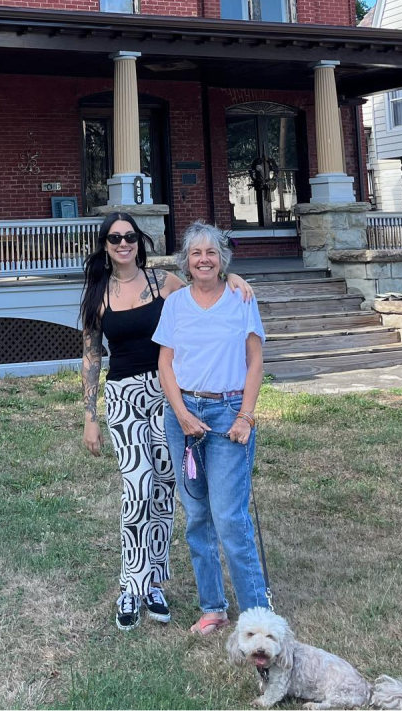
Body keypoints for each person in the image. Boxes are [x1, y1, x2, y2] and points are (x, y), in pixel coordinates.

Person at [80, 211, 253, 631]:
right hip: (124, 398)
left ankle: (154, 582)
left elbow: (202, 286)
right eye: (114, 238)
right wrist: (89, 415)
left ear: (141, 242)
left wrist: (233, 279)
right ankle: (129, 585)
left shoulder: (163, 284)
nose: (123, 244)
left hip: (165, 394)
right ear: (104, 246)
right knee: (137, 489)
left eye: (130, 237)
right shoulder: (98, 293)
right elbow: (91, 355)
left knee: (163, 492)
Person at [153, 219, 268, 635]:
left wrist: (246, 416)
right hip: (183, 414)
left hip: (228, 412)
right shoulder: (176, 303)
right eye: (196, 253)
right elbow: (165, 362)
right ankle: (213, 608)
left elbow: (254, 360)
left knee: (229, 516)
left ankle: (257, 617)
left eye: (211, 253)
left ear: (223, 261)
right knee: (197, 515)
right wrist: (181, 412)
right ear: (186, 261)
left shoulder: (240, 298)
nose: (203, 259)